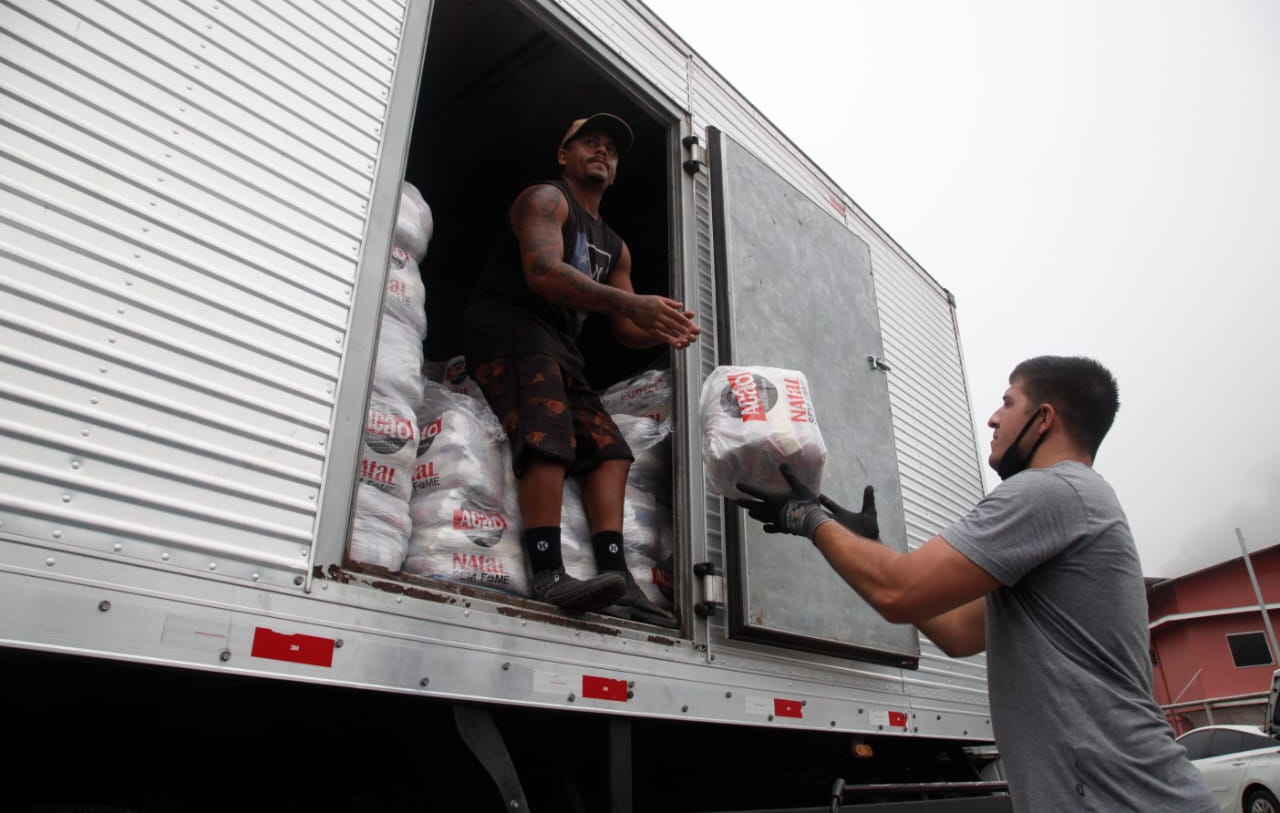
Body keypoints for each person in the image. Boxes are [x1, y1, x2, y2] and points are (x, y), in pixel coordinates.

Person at [735, 356, 1214, 811]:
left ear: (1043, 418)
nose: (992, 419)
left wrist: (808, 518)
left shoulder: (1050, 491)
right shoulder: (1080, 501)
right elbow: (957, 633)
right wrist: (869, 546)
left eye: (1008, 403)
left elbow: (896, 594)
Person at [463, 113, 699, 625]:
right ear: (563, 155)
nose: (603, 151)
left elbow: (624, 326)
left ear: (615, 172)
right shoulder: (545, 198)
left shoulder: (615, 245)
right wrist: (634, 305)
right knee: (550, 434)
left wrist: (662, 326)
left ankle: (620, 580)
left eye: (611, 149)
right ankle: (549, 573)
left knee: (612, 451)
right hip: (508, 331)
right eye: (589, 142)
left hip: (558, 349)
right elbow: (544, 272)